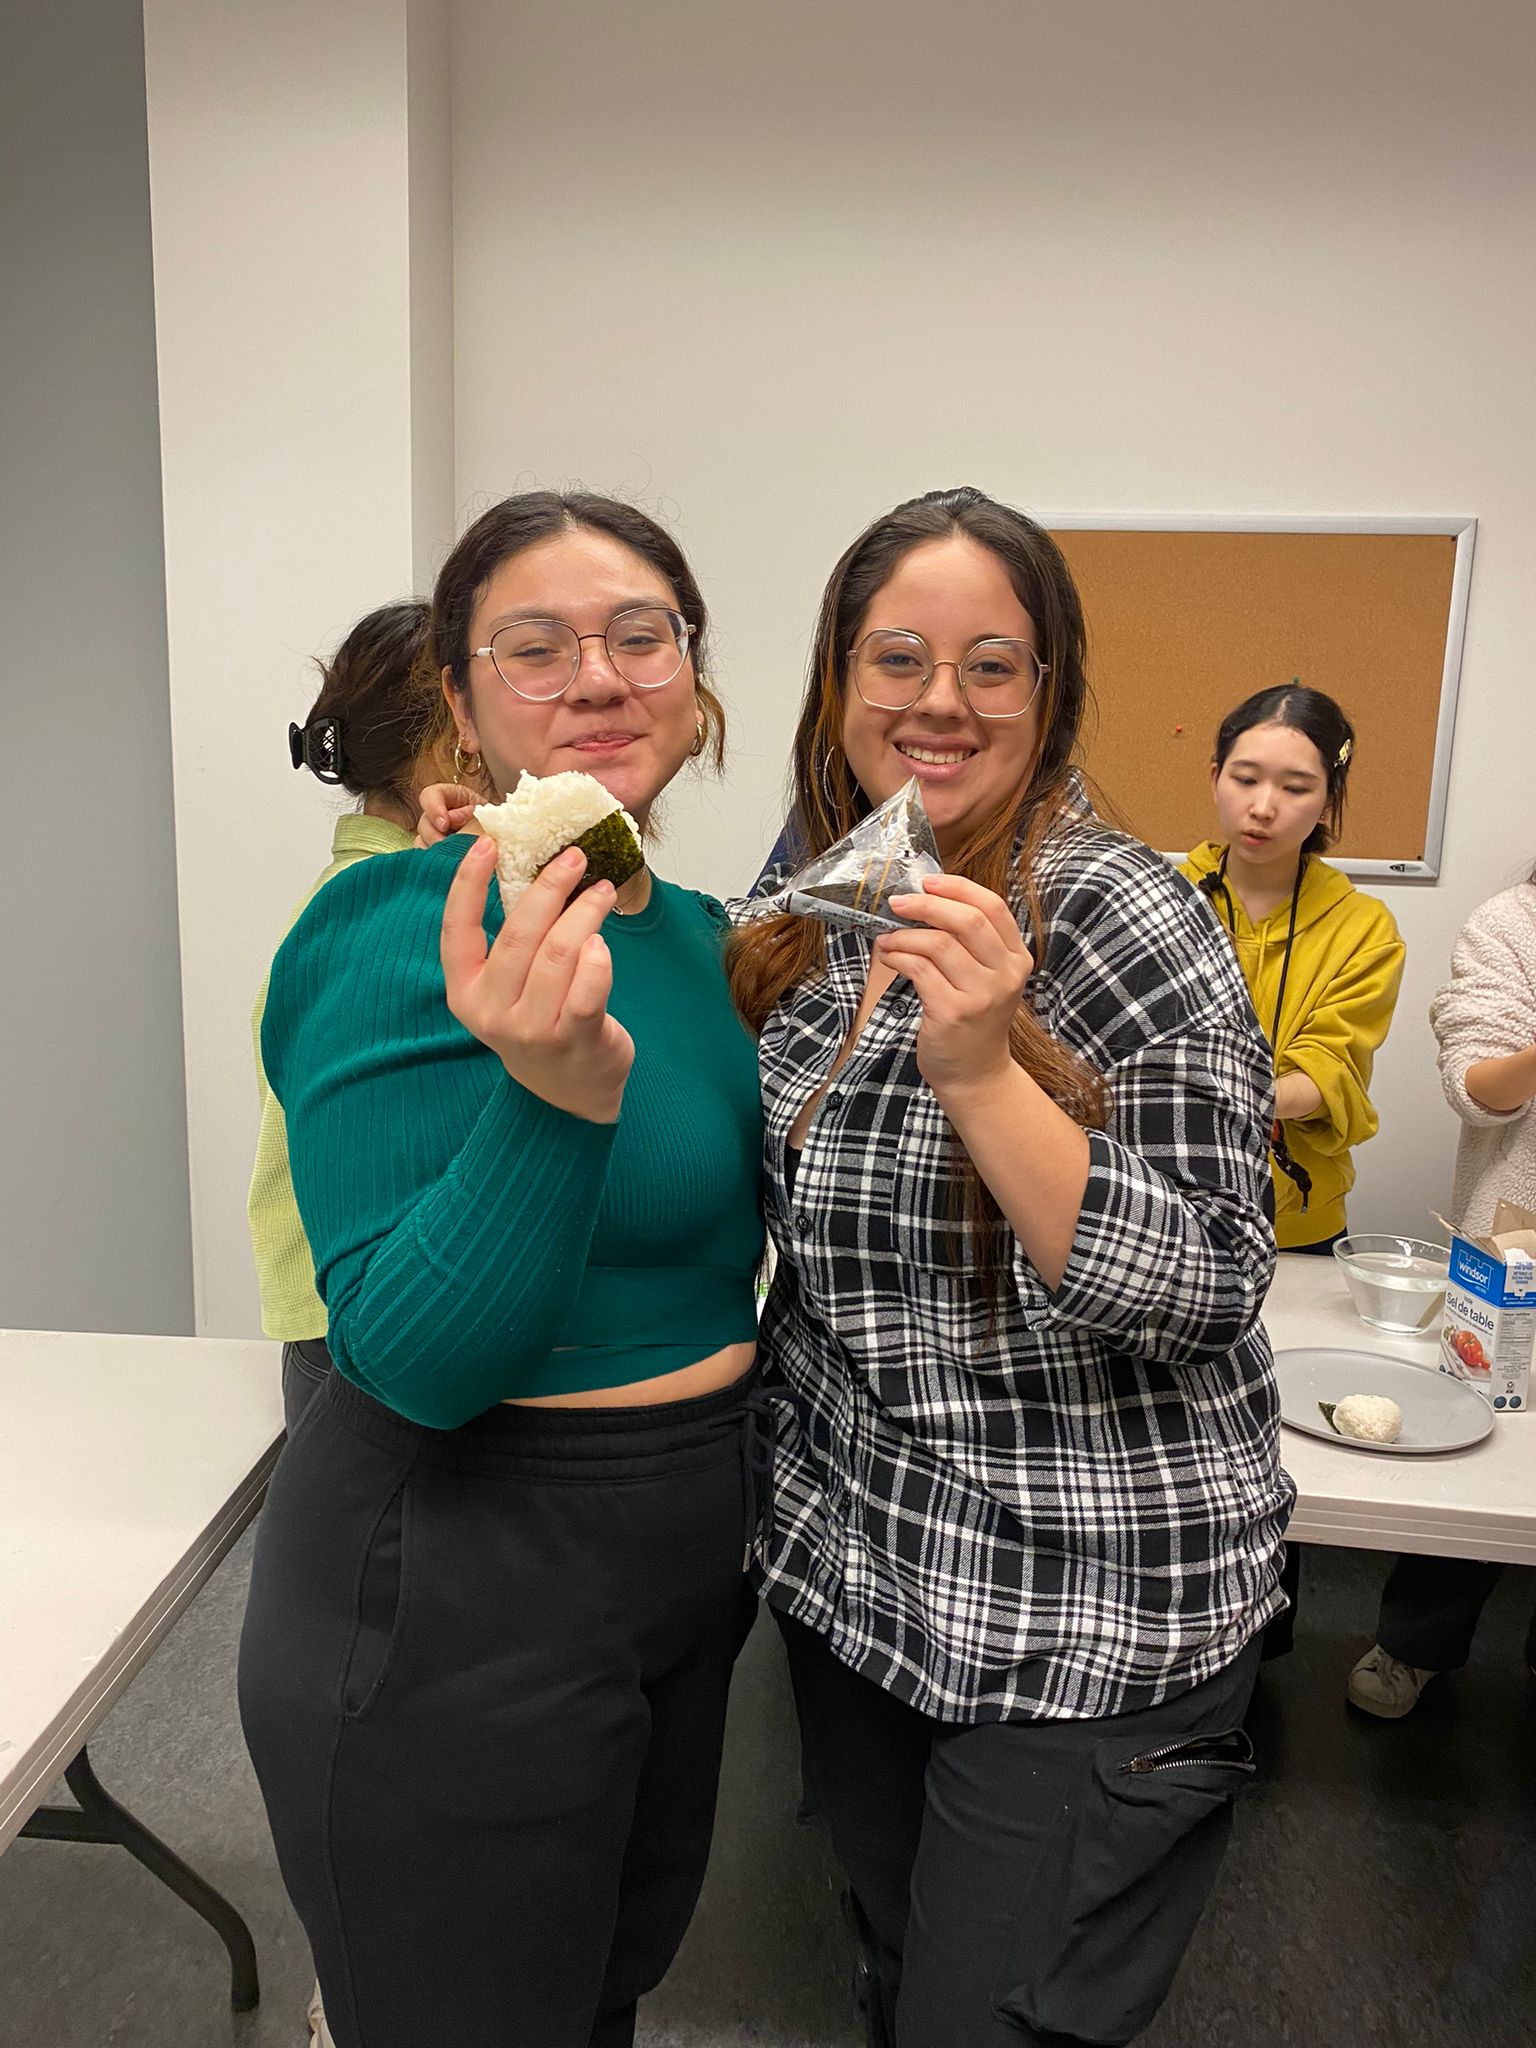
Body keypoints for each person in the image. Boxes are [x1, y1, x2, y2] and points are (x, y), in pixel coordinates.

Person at [728, 486, 1294, 2048]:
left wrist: (983, 1072)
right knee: (909, 1978)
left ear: (1050, 697)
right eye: (897, 656)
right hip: (865, 1588)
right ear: (840, 683)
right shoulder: (819, 910)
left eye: (995, 664)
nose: (940, 701)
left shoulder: (1124, 914)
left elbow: (1209, 1282)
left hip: (1081, 1612)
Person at [239, 491, 766, 2048]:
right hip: (458, 1584)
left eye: (637, 635)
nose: (596, 677)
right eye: (532, 650)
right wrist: (553, 1096)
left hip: (677, 1563)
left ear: (693, 673)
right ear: (460, 707)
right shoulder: (408, 917)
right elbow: (410, 1352)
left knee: (599, 1987)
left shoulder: (695, 933)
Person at [249, 597, 461, 1436]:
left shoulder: (340, 896)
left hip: (331, 1307)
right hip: (361, 1316)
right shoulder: (389, 914)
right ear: (452, 744)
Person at [1348, 865, 1536, 1717]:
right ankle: (1414, 1646)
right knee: (1489, 1449)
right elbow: (1478, 1090)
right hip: (1519, 1246)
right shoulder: (1511, 924)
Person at [1180, 685, 1405, 1254]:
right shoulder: (1158, 898)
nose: (1263, 806)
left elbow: (1332, 1068)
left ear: (1328, 803)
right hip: (1163, 1205)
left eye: (1295, 787)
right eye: (1245, 778)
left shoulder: (1363, 927)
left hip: (1297, 1219)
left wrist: (1231, 1094)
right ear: (1214, 779)